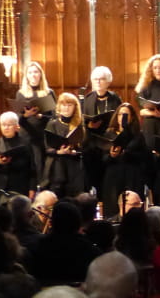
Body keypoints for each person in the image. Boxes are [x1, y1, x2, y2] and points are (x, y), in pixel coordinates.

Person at [100, 103, 149, 218]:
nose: (123, 117)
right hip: (113, 176)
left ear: (132, 117)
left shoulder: (138, 135)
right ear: (116, 117)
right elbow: (103, 159)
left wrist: (126, 153)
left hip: (132, 175)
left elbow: (144, 157)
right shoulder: (109, 134)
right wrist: (112, 155)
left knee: (131, 209)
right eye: (120, 114)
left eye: (126, 115)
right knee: (112, 209)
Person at [81, 65, 122, 196]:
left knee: (108, 180)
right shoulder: (87, 99)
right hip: (91, 143)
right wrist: (89, 126)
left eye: (102, 79)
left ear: (108, 81)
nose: (98, 82)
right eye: (95, 79)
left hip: (108, 142)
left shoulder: (115, 99)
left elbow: (119, 118)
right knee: (92, 178)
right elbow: (81, 121)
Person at [15, 61, 56, 174]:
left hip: (43, 134)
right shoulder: (21, 93)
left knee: (42, 166)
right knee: (29, 166)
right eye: (30, 72)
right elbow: (18, 118)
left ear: (40, 74)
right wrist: (25, 115)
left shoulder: (49, 92)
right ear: (26, 76)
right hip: (27, 134)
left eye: (36, 72)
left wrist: (41, 116)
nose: (33, 75)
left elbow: (54, 116)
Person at [42, 92, 86, 197]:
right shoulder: (52, 124)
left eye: (70, 105)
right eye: (63, 104)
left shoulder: (79, 125)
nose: (66, 108)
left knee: (74, 197)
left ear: (75, 107)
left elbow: (84, 148)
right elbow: (47, 148)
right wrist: (59, 151)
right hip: (57, 167)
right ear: (59, 107)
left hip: (74, 168)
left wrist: (74, 151)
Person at [0, 111, 35, 207]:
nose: (6, 128)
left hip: (19, 186)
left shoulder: (25, 144)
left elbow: (32, 168)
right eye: (3, 125)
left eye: (9, 125)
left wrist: (32, 188)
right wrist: (0, 162)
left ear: (16, 126)